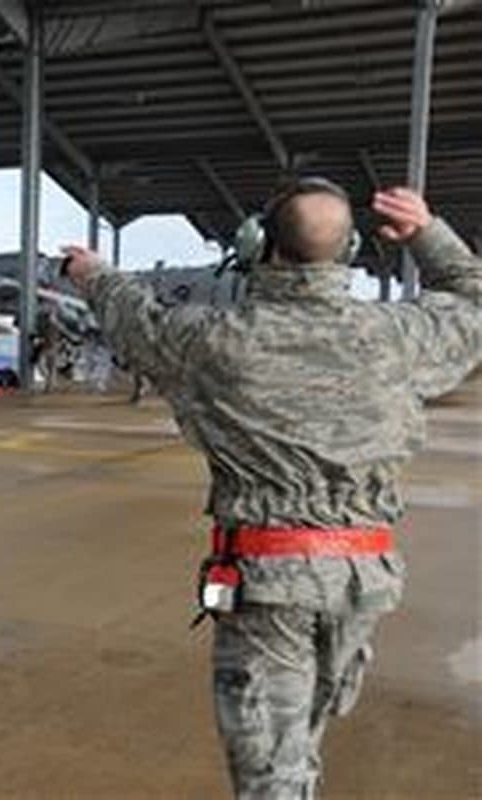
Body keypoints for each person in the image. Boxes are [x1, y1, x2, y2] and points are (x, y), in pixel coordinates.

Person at [62, 182, 481, 799]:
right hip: (364, 580)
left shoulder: (214, 338)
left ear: (259, 246)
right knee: (298, 743)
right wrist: (427, 233)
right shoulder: (399, 337)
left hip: (269, 585)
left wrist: (94, 272)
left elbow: (136, 321)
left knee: (271, 777)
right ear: (351, 250)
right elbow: (473, 299)